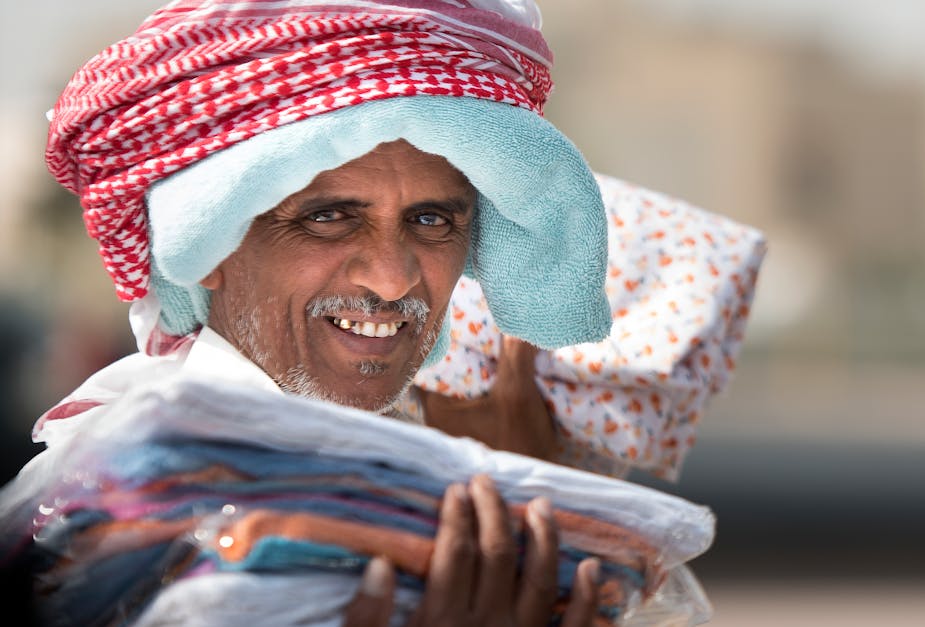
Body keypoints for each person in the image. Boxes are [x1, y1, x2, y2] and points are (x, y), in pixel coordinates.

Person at [32, 0, 613, 623]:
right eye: (328, 218)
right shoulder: (109, 502)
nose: (393, 279)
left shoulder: (466, 494)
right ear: (209, 247)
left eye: (430, 220)